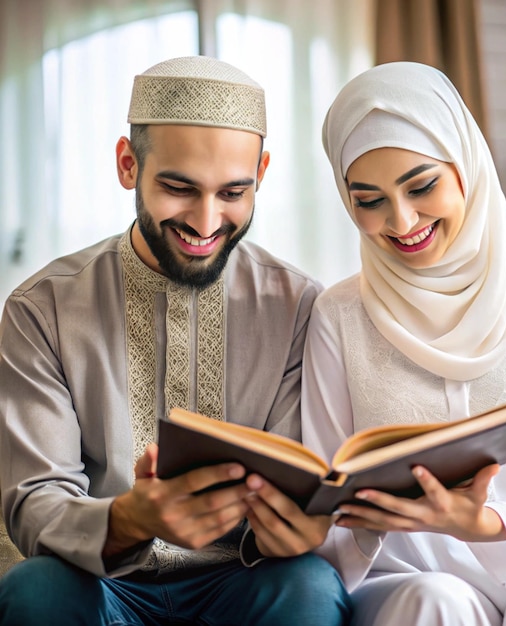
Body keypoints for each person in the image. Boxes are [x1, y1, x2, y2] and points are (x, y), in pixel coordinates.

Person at [0, 56, 351, 625]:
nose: (207, 221)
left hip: (245, 580)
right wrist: (131, 519)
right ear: (127, 164)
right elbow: (35, 500)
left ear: (261, 172)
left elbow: (298, 477)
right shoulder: (42, 310)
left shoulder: (299, 307)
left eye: (234, 192)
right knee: (36, 589)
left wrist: (303, 525)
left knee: (311, 586)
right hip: (104, 584)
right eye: (179, 187)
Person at [301, 61, 506, 625]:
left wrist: (487, 526)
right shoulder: (338, 315)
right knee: (436, 604)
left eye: (421, 185)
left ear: (466, 166)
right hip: (408, 572)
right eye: (368, 199)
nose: (401, 221)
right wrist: (363, 512)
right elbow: (329, 485)